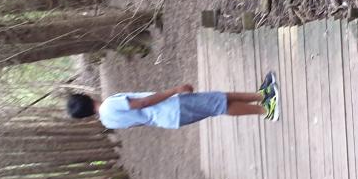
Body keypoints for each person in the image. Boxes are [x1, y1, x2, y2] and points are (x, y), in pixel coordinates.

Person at [67, 73, 279, 130]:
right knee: (219, 104)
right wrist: (174, 90)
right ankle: (265, 109)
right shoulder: (109, 106)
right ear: (86, 97)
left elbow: (139, 121)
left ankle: (262, 95)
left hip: (169, 119)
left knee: (218, 99)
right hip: (172, 107)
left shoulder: (107, 122)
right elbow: (142, 104)